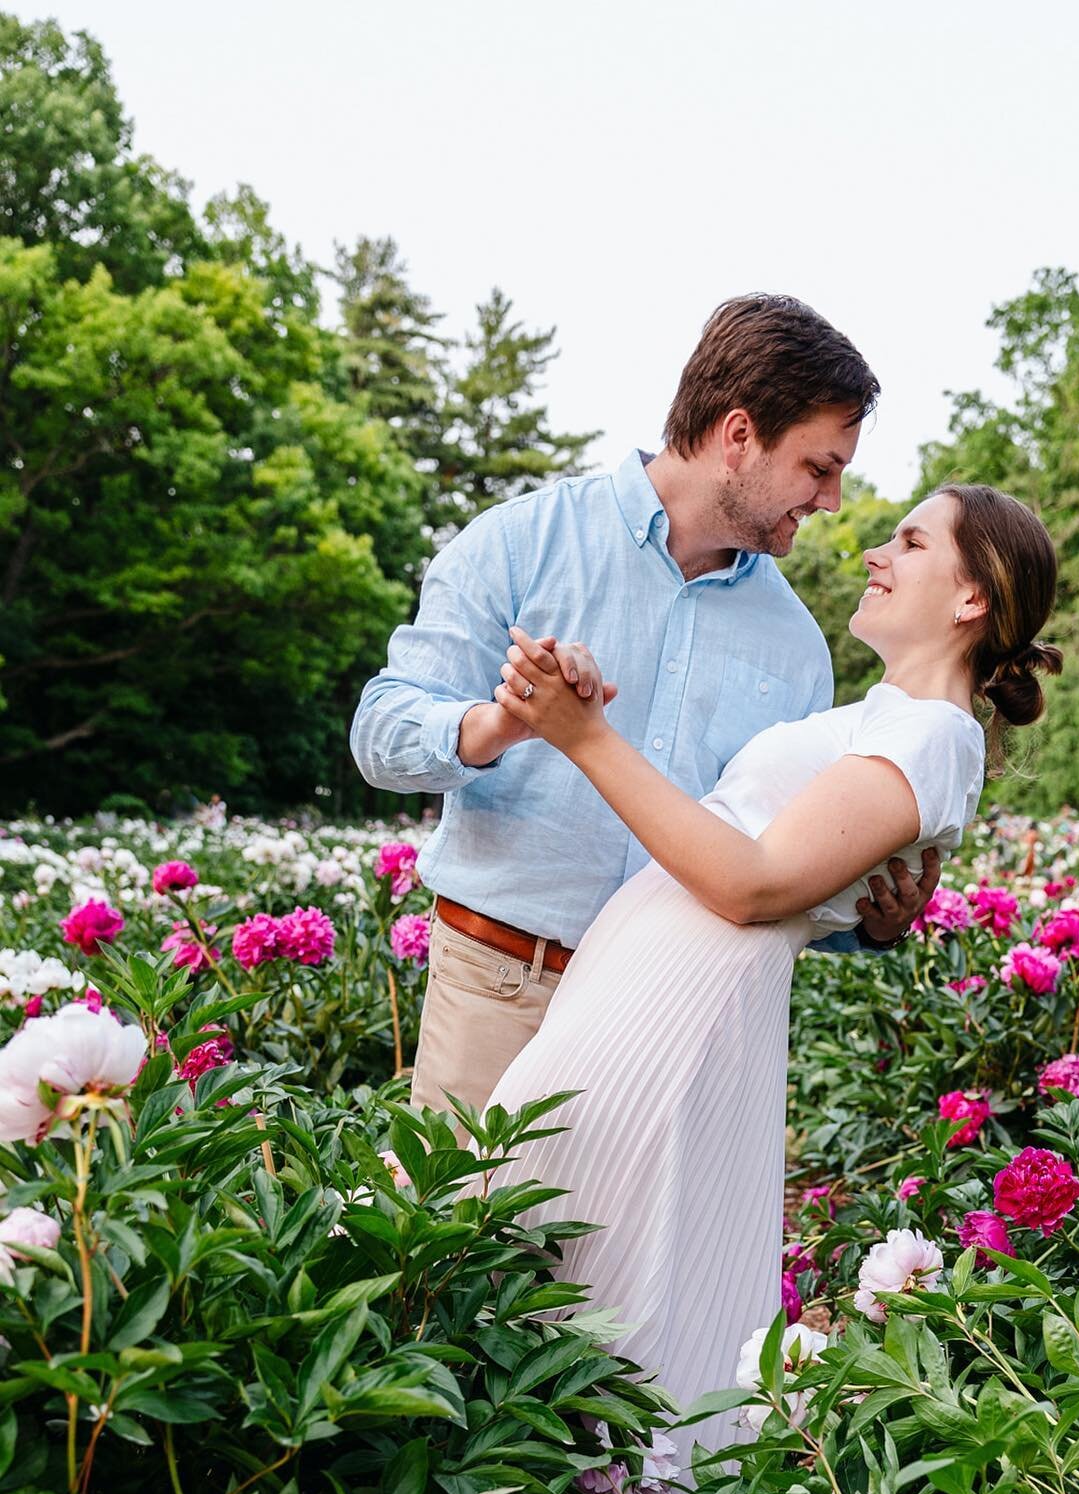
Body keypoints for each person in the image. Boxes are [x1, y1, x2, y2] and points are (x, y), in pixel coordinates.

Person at [483, 482, 1062, 1494]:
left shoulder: (934, 733)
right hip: (652, 979)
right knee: (548, 1256)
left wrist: (582, 737)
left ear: (973, 595)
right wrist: (866, 915)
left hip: (685, 997)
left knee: (593, 1283)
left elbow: (753, 883)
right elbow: (809, 872)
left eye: (911, 538)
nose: (877, 548)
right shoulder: (889, 718)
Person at [349, 295, 942, 1119]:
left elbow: (766, 867)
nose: (833, 499)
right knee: (463, 1244)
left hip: (671, 1019)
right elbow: (379, 733)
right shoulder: (521, 542)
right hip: (501, 989)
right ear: (739, 436)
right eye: (819, 467)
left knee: (625, 1256)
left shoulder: (798, 647)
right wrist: (500, 724)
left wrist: (866, 923)